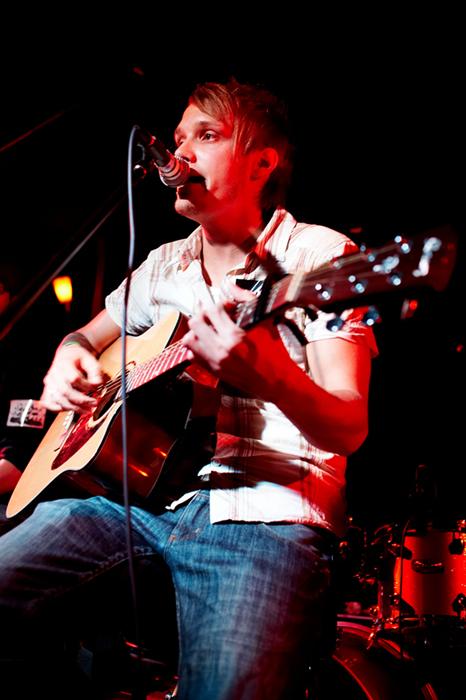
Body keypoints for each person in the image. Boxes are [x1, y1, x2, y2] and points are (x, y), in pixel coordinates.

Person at [0, 79, 377, 699]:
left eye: (207, 136)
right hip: (135, 506)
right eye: (178, 140)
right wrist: (67, 358)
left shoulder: (321, 256)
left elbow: (349, 425)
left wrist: (273, 377)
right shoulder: (161, 266)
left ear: (261, 163)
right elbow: (84, 337)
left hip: (266, 516)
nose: (179, 154)